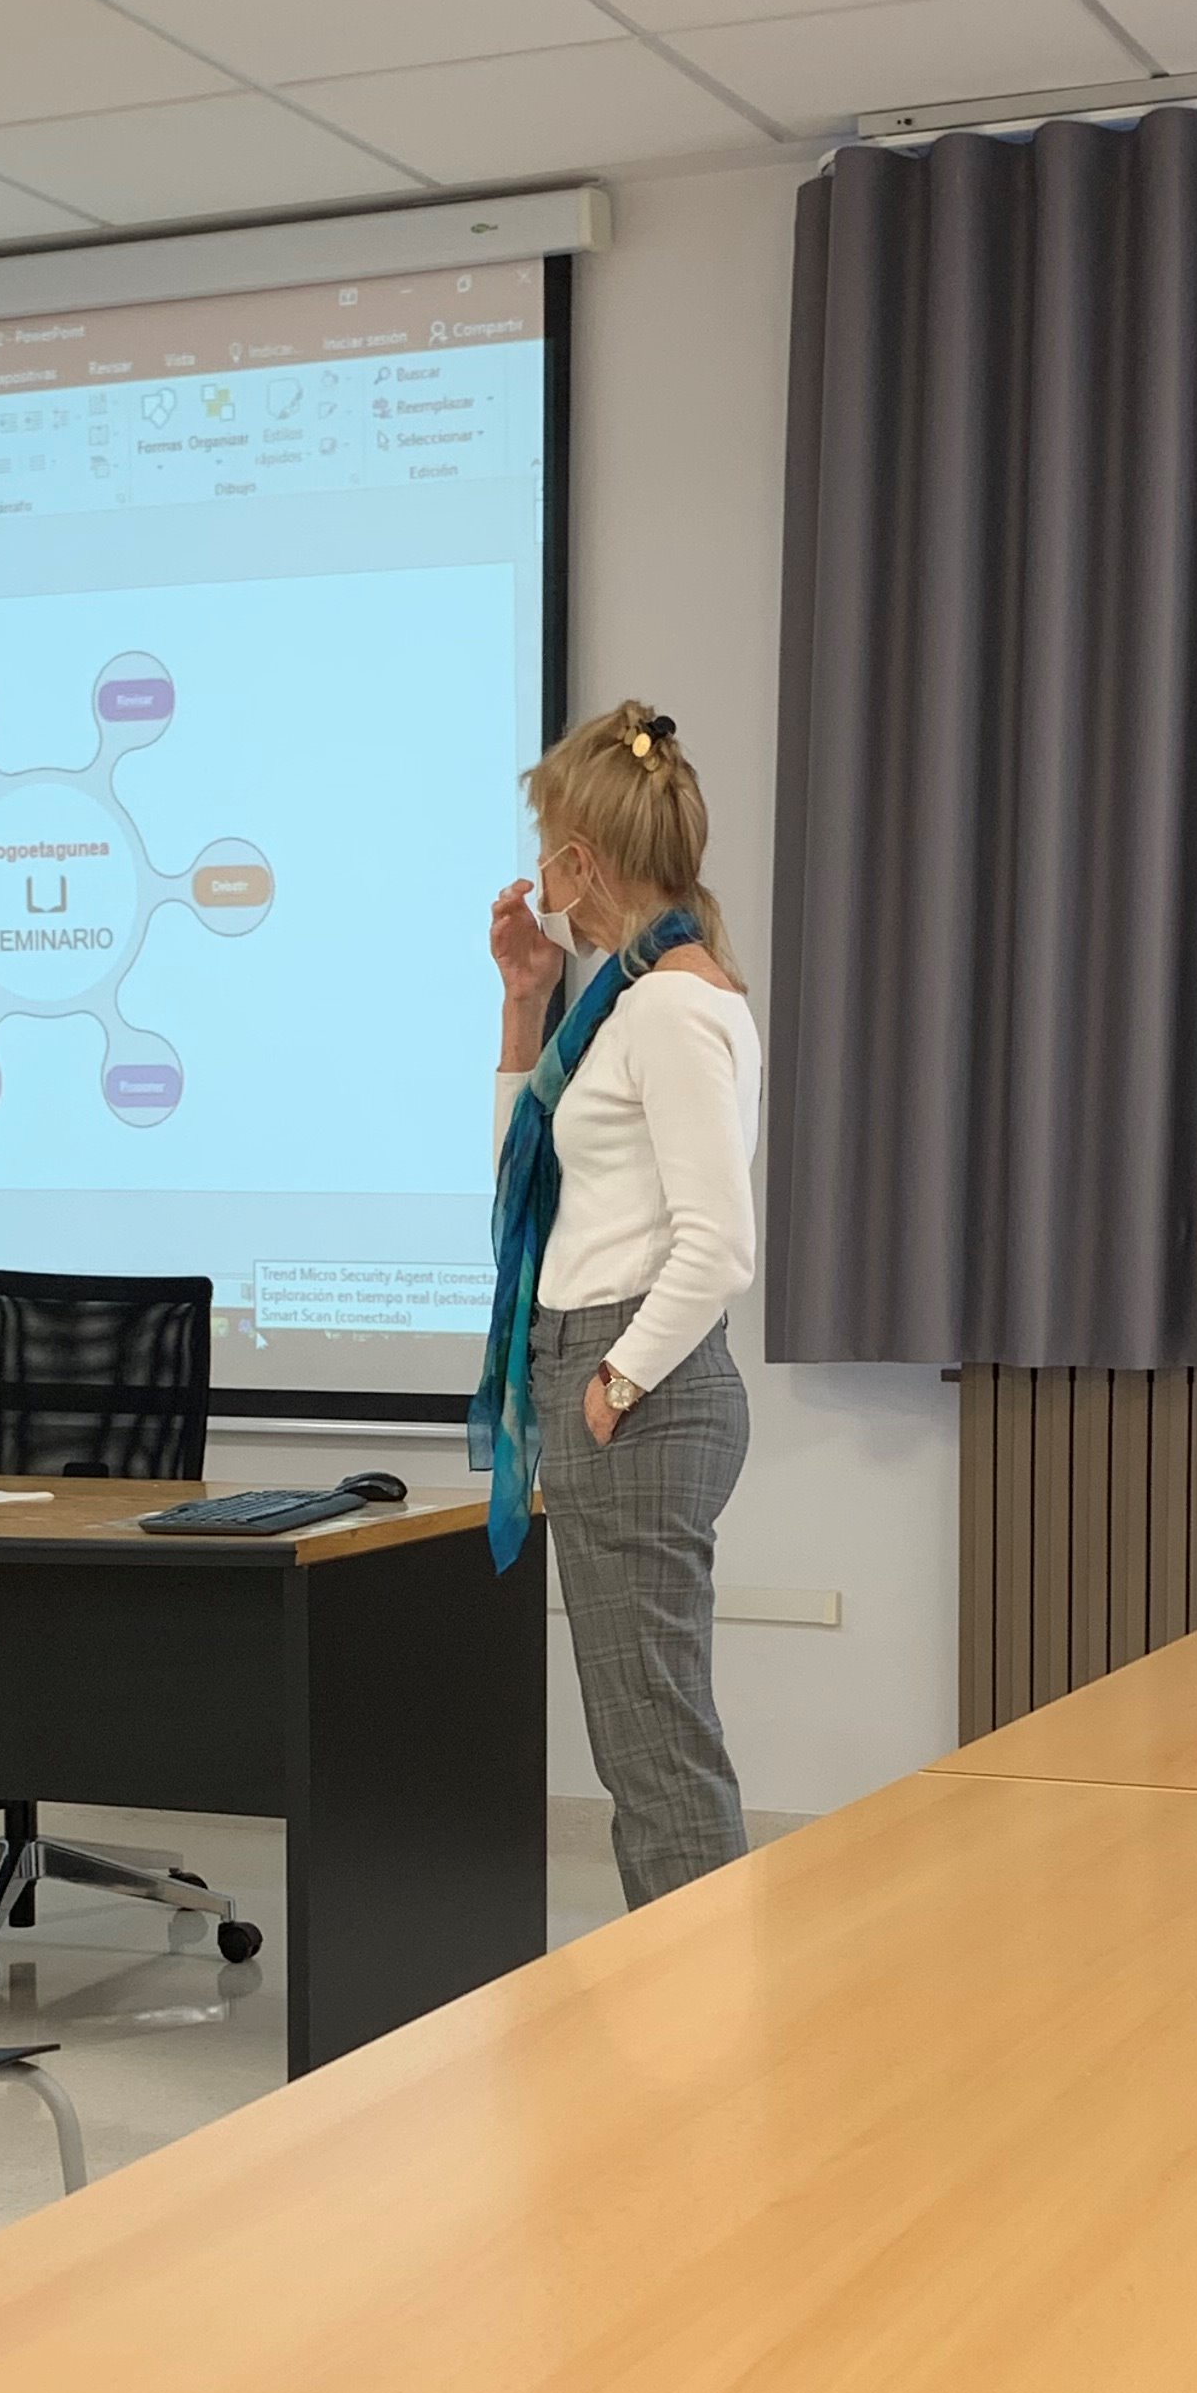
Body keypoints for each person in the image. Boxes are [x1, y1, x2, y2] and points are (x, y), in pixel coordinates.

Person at [472, 700, 762, 1909]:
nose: (540, 882)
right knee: (642, 1744)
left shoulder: (674, 1008)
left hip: (634, 1385)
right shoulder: (622, 1004)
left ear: (584, 862)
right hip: (602, 1372)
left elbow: (721, 1243)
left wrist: (614, 1382)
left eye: (549, 857)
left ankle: (704, 2010)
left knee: (656, 1755)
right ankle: (690, 1999)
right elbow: (524, 1176)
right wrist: (524, 1000)